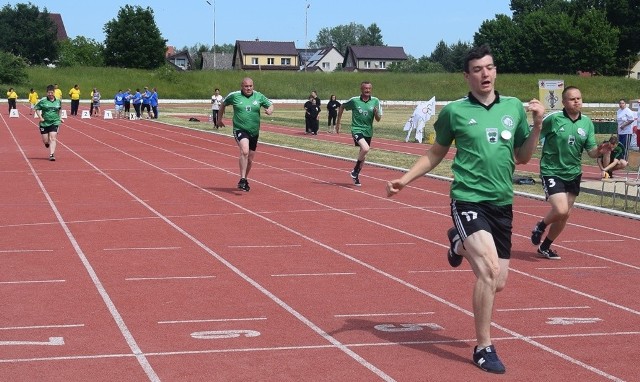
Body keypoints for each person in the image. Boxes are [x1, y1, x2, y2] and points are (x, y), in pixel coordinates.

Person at [386, 45, 545, 374]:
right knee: (487, 270)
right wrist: (405, 179)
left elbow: (523, 157)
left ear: (496, 71)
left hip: (502, 203)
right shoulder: (454, 112)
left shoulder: (514, 107)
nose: (484, 74)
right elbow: (435, 153)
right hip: (468, 198)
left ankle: (457, 242)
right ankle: (484, 347)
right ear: (467, 75)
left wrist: (537, 125)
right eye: (477, 69)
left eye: (489, 67)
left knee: (498, 282)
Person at [531, 86, 606, 260]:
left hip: (573, 172)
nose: (576, 101)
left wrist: (601, 150)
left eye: (579, 98)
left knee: (565, 215)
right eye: (572, 99)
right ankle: (540, 226)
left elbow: (592, 152)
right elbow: (534, 134)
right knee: (560, 209)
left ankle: (545, 247)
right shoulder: (554, 119)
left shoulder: (586, 122)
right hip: (552, 170)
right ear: (563, 102)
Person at [216, 77, 273, 192]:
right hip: (240, 129)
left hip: (254, 131)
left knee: (250, 159)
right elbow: (223, 104)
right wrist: (219, 119)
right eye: (246, 86)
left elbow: (270, 104)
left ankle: (244, 179)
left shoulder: (258, 96)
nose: (248, 88)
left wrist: (270, 110)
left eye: (250, 86)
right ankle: (242, 178)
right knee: (245, 151)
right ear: (242, 86)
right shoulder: (234, 95)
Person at [336, 81, 382, 187]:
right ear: (361, 89)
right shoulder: (354, 101)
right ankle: (355, 170)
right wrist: (338, 123)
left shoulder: (375, 101)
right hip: (356, 129)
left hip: (368, 131)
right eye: (365, 88)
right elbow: (342, 106)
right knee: (365, 148)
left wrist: (376, 114)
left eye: (369, 89)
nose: (367, 90)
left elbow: (378, 119)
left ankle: (356, 175)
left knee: (363, 154)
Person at [35, 84, 64, 161]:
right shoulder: (43, 101)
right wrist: (40, 117)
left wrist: (60, 118)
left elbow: (60, 109)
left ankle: (52, 155)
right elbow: (37, 109)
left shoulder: (58, 101)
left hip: (54, 122)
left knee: (53, 138)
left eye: (52, 92)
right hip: (44, 123)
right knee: (46, 141)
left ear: (54, 92)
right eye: (49, 93)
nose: (50, 94)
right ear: (46, 93)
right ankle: (46, 143)